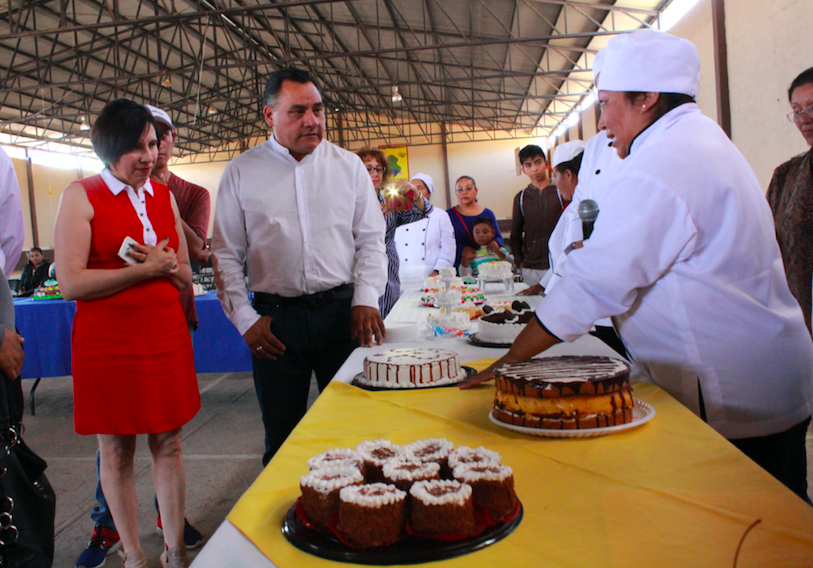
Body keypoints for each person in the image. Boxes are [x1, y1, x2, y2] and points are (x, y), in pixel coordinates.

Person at [463, 30, 813, 502]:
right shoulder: (695, 138)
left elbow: (596, 281)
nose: (603, 123)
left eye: (607, 104)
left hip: (733, 387)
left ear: (647, 97)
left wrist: (510, 362)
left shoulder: (664, 163)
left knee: (754, 525)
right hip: (760, 372)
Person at [212, 68, 387, 467]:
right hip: (275, 324)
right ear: (269, 116)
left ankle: (356, 518)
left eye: (318, 109)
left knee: (352, 434)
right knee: (282, 441)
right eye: (298, 112)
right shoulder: (242, 172)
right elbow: (224, 253)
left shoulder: (348, 167)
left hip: (343, 316)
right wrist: (244, 318)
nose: (312, 120)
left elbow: (371, 240)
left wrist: (365, 297)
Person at [54, 98, 201, 568]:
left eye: (152, 144)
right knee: (116, 450)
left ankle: (174, 548)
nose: (148, 156)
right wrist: (145, 271)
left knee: (169, 442)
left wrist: (166, 267)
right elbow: (71, 283)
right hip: (108, 343)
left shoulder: (164, 197)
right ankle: (134, 553)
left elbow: (182, 272)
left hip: (163, 334)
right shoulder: (81, 196)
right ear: (108, 148)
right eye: (136, 147)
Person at [357, 148, 431, 317]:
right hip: (362, 277)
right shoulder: (348, 203)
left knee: (390, 325)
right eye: (368, 168)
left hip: (390, 274)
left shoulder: (391, 201)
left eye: (378, 168)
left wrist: (414, 192)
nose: (374, 173)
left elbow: (424, 211)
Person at [767, 66, 813, 334]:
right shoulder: (786, 176)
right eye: (797, 111)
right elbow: (765, 248)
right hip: (803, 328)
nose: (804, 119)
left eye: (812, 107)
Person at [510, 146, 566, 296]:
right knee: (533, 311)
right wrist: (520, 262)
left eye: (538, 162)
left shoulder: (561, 192)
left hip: (558, 264)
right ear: (523, 170)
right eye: (528, 165)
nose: (534, 168)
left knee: (558, 308)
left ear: (546, 163)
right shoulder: (521, 198)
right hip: (531, 267)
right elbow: (515, 235)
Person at [394, 174, 456, 283]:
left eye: (419, 188)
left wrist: (436, 273)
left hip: (433, 280)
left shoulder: (440, 215)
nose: (413, 191)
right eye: (411, 188)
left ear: (429, 193)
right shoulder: (399, 216)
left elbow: (448, 250)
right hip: (402, 280)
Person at [447, 176, 504, 272]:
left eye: (468, 188)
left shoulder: (488, 213)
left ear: (476, 191)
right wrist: (462, 250)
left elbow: (498, 236)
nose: (464, 192)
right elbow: (444, 243)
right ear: (456, 194)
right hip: (459, 266)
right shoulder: (448, 215)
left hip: (486, 267)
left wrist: (496, 243)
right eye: (460, 189)